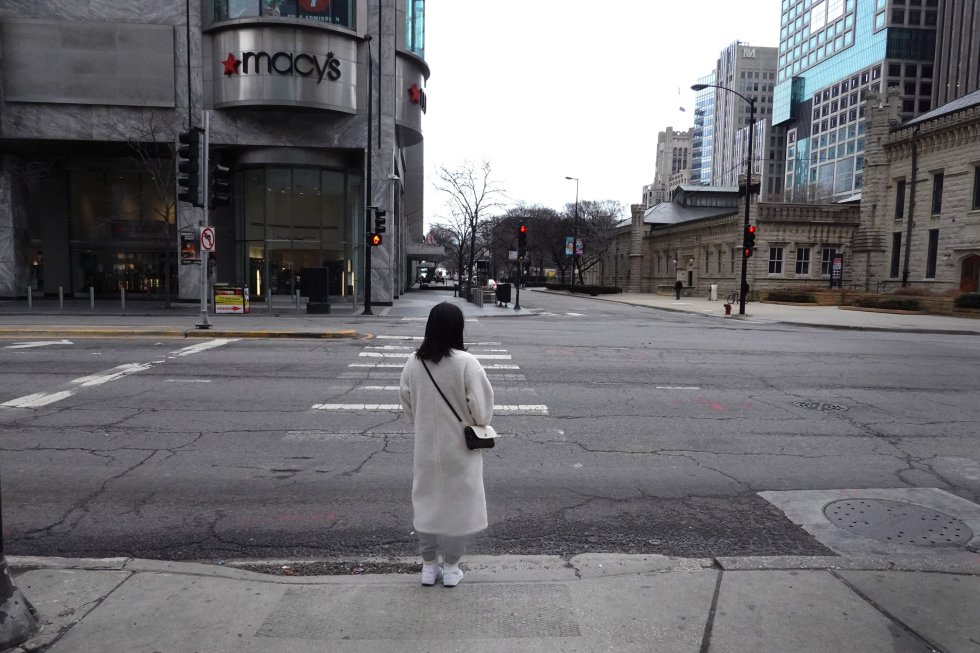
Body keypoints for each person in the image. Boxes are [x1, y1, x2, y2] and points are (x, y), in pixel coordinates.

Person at [399, 302, 494, 587]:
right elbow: (482, 413)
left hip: (427, 449)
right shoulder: (467, 363)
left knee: (427, 504)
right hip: (460, 451)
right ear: (458, 328)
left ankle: (428, 566)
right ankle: (452, 567)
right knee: (457, 507)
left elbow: (408, 405)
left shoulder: (413, 363)